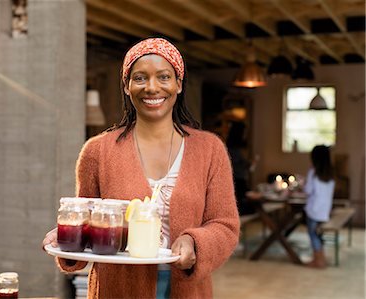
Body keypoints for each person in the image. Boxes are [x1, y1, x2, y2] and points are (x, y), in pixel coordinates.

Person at [43, 37, 240, 298]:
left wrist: (195, 242)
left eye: (163, 77)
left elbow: (225, 224)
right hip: (116, 290)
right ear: (126, 86)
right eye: (140, 78)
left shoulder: (210, 150)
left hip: (187, 289)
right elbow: (85, 218)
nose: (152, 87)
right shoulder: (98, 151)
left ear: (179, 84)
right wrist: (67, 235)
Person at [303, 145, 335, 269]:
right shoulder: (331, 173)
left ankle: (318, 261)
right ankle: (322, 259)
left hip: (313, 210)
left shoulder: (313, 172)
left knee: (313, 235)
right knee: (319, 235)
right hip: (325, 211)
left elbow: (308, 190)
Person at [225, 121, 258, 215]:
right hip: (237, 180)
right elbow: (235, 166)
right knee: (247, 206)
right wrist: (247, 164)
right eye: (244, 132)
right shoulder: (232, 148)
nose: (245, 135)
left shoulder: (234, 147)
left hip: (239, 179)